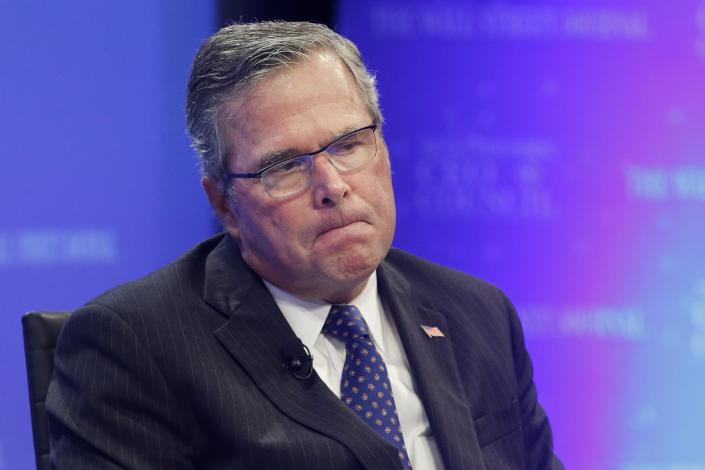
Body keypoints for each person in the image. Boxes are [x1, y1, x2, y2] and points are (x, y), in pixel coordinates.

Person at [47, 21, 563, 469]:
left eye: (348, 145)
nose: (333, 185)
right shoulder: (135, 346)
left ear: (381, 146)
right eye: (284, 166)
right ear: (224, 204)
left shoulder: (476, 313)